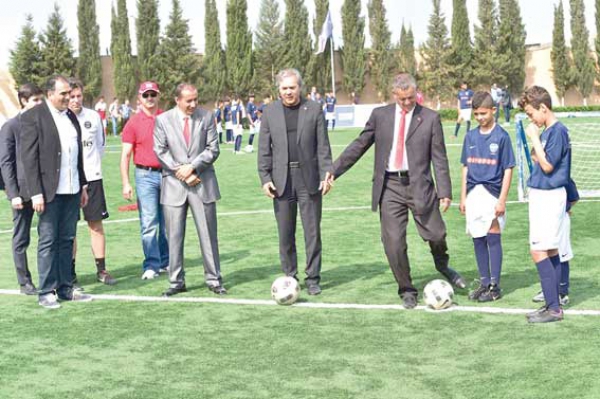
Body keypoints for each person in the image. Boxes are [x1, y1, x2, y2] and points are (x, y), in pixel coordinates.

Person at [332, 73, 467, 309]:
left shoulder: (430, 118)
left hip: (420, 185)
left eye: (411, 98)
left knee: (436, 234)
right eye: (402, 99)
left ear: (416, 93)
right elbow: (359, 145)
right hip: (390, 186)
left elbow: (439, 157)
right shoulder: (380, 116)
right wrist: (334, 171)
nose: (407, 103)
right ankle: (406, 289)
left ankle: (441, 263)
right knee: (393, 242)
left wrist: (445, 191)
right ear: (394, 95)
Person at [258, 68, 333, 295]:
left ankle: (313, 278)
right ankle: (290, 277)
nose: (288, 92)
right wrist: (265, 178)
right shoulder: (270, 111)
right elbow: (264, 149)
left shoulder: (314, 109)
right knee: (285, 233)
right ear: (278, 90)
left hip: (308, 178)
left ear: (299, 87)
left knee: (312, 232)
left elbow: (323, 146)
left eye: (292, 87)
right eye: (284, 88)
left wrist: (326, 173)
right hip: (281, 181)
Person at [20, 75, 92, 309]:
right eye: (63, 94)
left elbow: (76, 154)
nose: (68, 97)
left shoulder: (70, 116)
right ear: (50, 94)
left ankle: (65, 287)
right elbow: (29, 159)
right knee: (48, 240)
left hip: (72, 190)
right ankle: (46, 291)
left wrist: (81, 185)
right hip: (48, 192)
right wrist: (35, 193)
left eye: (70, 93)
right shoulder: (34, 116)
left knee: (66, 239)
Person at [153, 83, 226, 296]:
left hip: (202, 183)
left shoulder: (207, 117)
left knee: (208, 234)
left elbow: (213, 148)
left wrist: (193, 167)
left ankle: (214, 279)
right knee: (173, 236)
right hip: (174, 186)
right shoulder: (163, 120)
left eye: (196, 99)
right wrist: (181, 171)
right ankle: (176, 281)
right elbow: (160, 151)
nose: (193, 104)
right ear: (177, 100)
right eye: (188, 100)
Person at [519, 85, 571, 323]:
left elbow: (549, 166)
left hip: (550, 196)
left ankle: (554, 308)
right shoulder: (550, 131)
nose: (531, 119)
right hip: (543, 195)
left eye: (531, 114)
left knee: (538, 249)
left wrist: (534, 139)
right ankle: (553, 303)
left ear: (543, 107)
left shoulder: (557, 131)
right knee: (549, 249)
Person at [458, 91, 515, 302]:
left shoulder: (501, 137)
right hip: (474, 193)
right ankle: (483, 282)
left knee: (492, 235)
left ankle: (495, 286)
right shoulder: (470, 136)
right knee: (477, 237)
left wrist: (502, 199)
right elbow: (465, 167)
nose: (480, 117)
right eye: (476, 114)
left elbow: (508, 168)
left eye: (483, 113)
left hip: (493, 193)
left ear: (493, 110)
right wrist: (463, 197)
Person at [68, 79, 117, 286]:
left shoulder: (93, 117)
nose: (76, 100)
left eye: (79, 96)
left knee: (95, 225)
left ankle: (101, 269)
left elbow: (100, 147)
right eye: (71, 96)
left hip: (93, 179)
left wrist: (90, 171)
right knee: (69, 228)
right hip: (68, 181)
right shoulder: (61, 119)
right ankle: (70, 273)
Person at [120, 81, 169, 280]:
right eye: (146, 95)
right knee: (149, 222)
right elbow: (125, 155)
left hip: (167, 174)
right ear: (139, 99)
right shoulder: (132, 123)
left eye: (153, 95)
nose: (150, 99)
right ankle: (151, 264)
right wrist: (125, 182)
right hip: (144, 176)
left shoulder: (167, 119)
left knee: (168, 222)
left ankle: (166, 261)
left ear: (158, 96)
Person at [0, 83, 44, 295]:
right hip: (22, 193)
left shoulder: (45, 123)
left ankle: (53, 277)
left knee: (49, 236)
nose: (40, 103)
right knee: (21, 238)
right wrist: (13, 194)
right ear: (24, 101)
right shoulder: (10, 127)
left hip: (45, 190)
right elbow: (6, 163)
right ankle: (24, 282)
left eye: (40, 99)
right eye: (35, 100)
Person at [532, 176, 578, 307]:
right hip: (544, 218)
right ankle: (550, 290)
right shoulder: (537, 177)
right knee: (545, 252)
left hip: (560, 219)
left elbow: (574, 197)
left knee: (562, 254)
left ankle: (562, 292)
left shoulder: (562, 177)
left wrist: (564, 208)